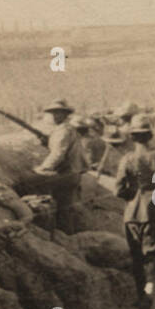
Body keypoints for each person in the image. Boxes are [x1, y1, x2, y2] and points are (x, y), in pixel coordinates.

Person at [113, 116, 155, 309]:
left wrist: (132, 194)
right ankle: (148, 294)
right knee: (153, 256)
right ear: (149, 136)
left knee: (136, 256)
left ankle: (141, 296)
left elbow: (119, 189)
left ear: (133, 138)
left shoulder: (127, 159)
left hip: (133, 212)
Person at [33, 99, 87, 235]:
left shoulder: (63, 131)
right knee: (65, 207)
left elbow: (58, 154)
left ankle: (45, 229)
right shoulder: (67, 129)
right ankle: (67, 235)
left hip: (66, 174)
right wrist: (47, 142)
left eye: (59, 113)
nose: (55, 116)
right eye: (53, 113)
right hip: (73, 173)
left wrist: (42, 169)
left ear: (65, 114)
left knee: (31, 184)